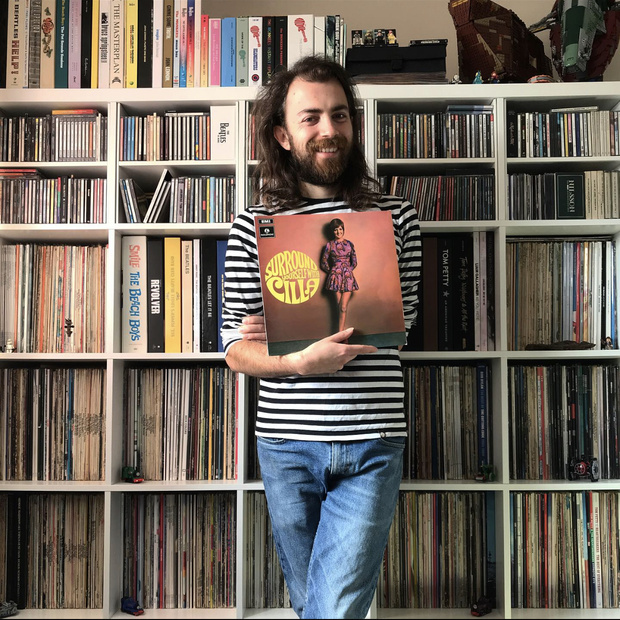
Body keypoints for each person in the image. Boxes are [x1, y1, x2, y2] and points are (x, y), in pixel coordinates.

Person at [220, 55, 421, 619]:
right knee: (313, 602)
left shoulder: (396, 217)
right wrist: (296, 362)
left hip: (373, 438)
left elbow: (399, 327)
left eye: (339, 114)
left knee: (333, 607)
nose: (328, 129)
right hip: (285, 445)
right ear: (283, 135)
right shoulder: (254, 226)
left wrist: (295, 327)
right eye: (310, 117)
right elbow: (236, 349)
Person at [320, 217, 359, 332]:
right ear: (333, 231)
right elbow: (323, 262)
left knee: (343, 307)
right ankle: (341, 335)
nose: (338, 232)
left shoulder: (349, 244)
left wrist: (347, 270)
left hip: (348, 278)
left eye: (340, 229)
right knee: (340, 308)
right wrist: (332, 271)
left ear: (343, 229)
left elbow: (354, 262)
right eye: (335, 230)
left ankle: (341, 334)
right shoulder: (329, 245)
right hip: (335, 278)